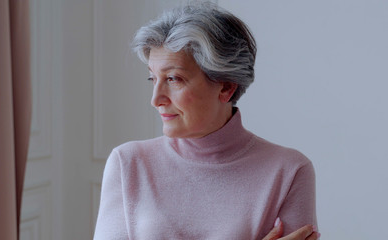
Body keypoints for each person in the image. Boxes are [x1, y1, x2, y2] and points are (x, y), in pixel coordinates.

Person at [94, 2, 319, 240]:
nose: (156, 99)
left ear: (226, 87)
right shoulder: (128, 163)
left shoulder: (289, 171)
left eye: (173, 79)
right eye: (153, 78)